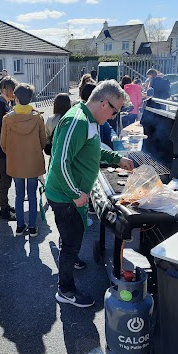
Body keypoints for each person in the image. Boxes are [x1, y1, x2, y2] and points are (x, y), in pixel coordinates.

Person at [45, 80, 134, 307]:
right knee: (70, 243)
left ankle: (71, 257)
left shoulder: (90, 119)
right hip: (65, 197)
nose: (114, 117)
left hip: (72, 194)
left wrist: (117, 159)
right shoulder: (77, 121)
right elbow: (59, 164)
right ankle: (65, 290)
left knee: (72, 238)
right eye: (115, 111)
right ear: (104, 103)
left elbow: (92, 152)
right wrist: (76, 193)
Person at [1, 83, 46, 237]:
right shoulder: (37, 117)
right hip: (33, 161)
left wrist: (13, 153)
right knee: (32, 195)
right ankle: (32, 227)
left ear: (16, 98)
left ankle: (20, 226)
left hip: (16, 162)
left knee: (19, 195)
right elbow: (43, 140)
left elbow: (3, 143)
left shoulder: (7, 118)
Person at [0, 76, 18, 221]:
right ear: (5, 89)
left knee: (7, 179)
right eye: (13, 90)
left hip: (6, 149)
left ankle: (5, 205)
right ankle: (3, 209)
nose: (15, 93)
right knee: (5, 180)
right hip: (2, 150)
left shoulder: (5, 104)